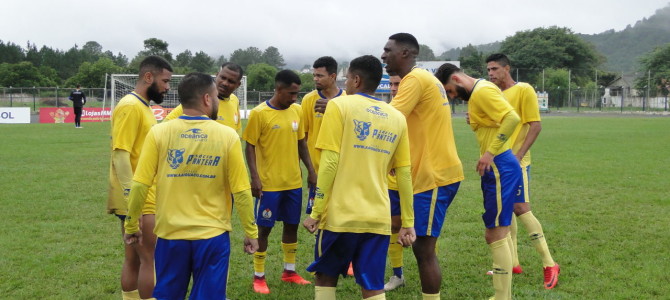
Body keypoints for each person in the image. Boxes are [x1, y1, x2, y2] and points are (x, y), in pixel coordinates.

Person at [123, 72, 258, 300]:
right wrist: (251, 232)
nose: (217, 100)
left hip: (170, 235)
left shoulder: (159, 132)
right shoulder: (227, 136)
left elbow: (140, 184)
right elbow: (241, 191)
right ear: (207, 98)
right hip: (212, 236)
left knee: (167, 295)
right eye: (215, 96)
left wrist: (131, 224)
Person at [303, 54, 416, 300]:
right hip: (378, 217)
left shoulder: (339, 106)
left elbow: (330, 162)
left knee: (325, 276)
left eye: (346, 79)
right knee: (373, 284)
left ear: (355, 79)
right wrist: (408, 222)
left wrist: (315, 211)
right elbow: (405, 174)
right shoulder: (397, 117)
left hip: (340, 216)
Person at [380, 33, 464, 299]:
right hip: (428, 173)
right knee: (400, 228)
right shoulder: (422, 78)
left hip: (434, 176)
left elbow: (388, 118)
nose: (383, 55)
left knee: (424, 251)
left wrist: (347, 105)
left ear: (405, 53)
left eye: (387, 50)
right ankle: (396, 274)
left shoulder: (415, 79)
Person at [435, 63, 521, 300]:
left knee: (496, 234)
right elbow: (500, 119)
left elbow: (512, 118)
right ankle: (502, 295)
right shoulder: (480, 92)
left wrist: (490, 152)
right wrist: (480, 122)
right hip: (499, 166)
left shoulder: (482, 91)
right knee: (496, 232)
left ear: (456, 78)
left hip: (500, 166)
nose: (453, 97)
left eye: (451, 91)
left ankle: (502, 297)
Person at [486, 53, 560, 289]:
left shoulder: (524, 89)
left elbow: (535, 126)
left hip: (516, 161)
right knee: (505, 210)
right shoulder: (495, 94)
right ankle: (513, 263)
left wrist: (518, 157)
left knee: (520, 208)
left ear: (507, 68)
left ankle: (549, 263)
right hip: (499, 161)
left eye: (495, 69)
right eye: (488, 70)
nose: (491, 74)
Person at [243, 69, 317, 294]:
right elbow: (250, 146)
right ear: (278, 89)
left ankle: (289, 271)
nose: (294, 98)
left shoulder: (296, 110)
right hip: (269, 185)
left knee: (291, 226)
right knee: (264, 230)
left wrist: (311, 171)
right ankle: (259, 276)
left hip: (293, 183)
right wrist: (255, 177)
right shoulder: (259, 113)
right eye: (291, 94)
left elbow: (302, 143)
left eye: (297, 94)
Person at [107, 55, 173, 300]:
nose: (167, 87)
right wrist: (131, 194)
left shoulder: (143, 106)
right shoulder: (130, 105)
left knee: (134, 258)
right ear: (149, 77)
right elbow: (121, 155)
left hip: (139, 196)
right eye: (165, 81)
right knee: (149, 259)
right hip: (139, 196)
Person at [301, 56, 346, 215]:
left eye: (320, 76)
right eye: (314, 75)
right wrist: (309, 171)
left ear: (333, 76)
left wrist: (334, 110)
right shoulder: (308, 100)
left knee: (340, 215)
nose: (315, 79)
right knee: (317, 217)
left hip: (343, 171)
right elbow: (303, 137)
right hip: (318, 171)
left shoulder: (347, 100)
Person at [165, 62, 244, 133]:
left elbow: (237, 129)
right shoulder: (200, 99)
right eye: (223, 78)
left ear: (238, 85)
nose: (225, 83)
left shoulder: (234, 100)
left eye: (231, 81)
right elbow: (166, 125)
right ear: (217, 75)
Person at [382, 73, 407, 292]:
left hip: (418, 180)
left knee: (424, 235)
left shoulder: (414, 110)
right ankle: (397, 274)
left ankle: (428, 267)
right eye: (391, 84)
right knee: (394, 225)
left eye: (397, 84)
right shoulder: (389, 111)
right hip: (392, 181)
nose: (393, 88)